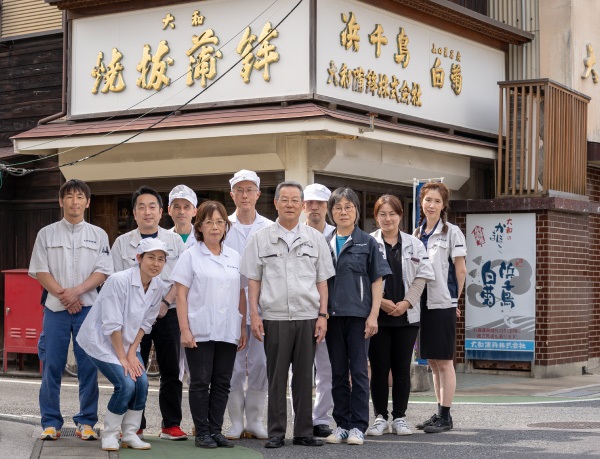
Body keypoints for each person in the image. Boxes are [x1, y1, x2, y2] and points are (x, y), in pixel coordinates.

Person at [241, 181, 335, 449]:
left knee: (305, 377)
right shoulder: (261, 238)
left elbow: (322, 281)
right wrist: (255, 316)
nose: (290, 204)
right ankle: (276, 432)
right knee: (277, 377)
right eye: (285, 199)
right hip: (275, 317)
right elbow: (253, 281)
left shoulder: (315, 238)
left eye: (296, 200)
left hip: (307, 317)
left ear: (302, 205)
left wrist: (322, 316)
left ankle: (304, 431)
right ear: (276, 203)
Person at [29, 179, 113, 441]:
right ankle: (50, 422)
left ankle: (86, 422)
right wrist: (65, 295)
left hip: (87, 309)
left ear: (88, 202)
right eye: (69, 197)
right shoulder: (46, 233)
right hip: (55, 309)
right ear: (60, 201)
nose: (74, 202)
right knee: (51, 364)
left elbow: (103, 271)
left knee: (88, 366)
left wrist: (76, 293)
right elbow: (40, 271)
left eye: (80, 197)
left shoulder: (98, 234)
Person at [77, 238, 168, 451]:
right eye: (151, 258)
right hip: (100, 341)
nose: (156, 263)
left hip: (127, 344)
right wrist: (122, 356)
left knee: (142, 384)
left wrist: (132, 352)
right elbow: (111, 323)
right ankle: (110, 434)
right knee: (126, 385)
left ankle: (129, 434)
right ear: (139, 258)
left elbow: (147, 323)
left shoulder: (158, 285)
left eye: (161, 259)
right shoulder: (118, 280)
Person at [111, 186, 187, 440]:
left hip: (169, 312)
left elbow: (182, 278)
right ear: (134, 213)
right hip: (133, 317)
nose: (147, 212)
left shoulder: (174, 241)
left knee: (170, 370)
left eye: (152, 206)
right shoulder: (123, 243)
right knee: (134, 368)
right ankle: (136, 424)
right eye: (141, 207)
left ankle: (171, 424)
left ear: (161, 211)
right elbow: (115, 281)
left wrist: (165, 303)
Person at [171, 200, 248, 449]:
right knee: (200, 381)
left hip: (228, 328)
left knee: (223, 381)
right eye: (209, 222)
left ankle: (216, 430)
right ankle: (202, 431)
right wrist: (184, 329)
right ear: (199, 226)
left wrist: (243, 326)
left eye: (220, 222)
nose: (215, 227)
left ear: (226, 226)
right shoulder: (190, 255)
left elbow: (241, 293)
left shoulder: (234, 256)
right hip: (199, 329)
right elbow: (180, 294)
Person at [325, 187, 391, 446]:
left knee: (359, 371)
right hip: (332, 316)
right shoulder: (325, 242)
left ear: (356, 211)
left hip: (359, 316)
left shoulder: (368, 242)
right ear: (332, 212)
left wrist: (374, 315)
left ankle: (358, 426)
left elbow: (377, 279)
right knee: (338, 372)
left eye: (348, 207)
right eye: (338, 207)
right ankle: (341, 424)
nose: (343, 212)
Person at [366, 195, 434, 436]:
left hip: (407, 317)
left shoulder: (414, 244)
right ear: (376, 217)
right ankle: (380, 418)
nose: (388, 218)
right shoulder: (369, 243)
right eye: (382, 214)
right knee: (379, 368)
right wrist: (383, 303)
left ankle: (400, 418)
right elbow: (365, 278)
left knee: (402, 368)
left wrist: (406, 303)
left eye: (392, 213)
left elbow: (422, 276)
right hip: (378, 317)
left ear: (400, 216)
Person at [223, 169, 273, 440]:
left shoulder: (268, 227)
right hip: (229, 307)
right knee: (231, 366)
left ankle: (255, 420)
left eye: (249, 190)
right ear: (232, 194)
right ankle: (235, 422)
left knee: (260, 363)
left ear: (258, 194)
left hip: (263, 308)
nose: (244, 195)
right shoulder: (223, 226)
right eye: (239, 190)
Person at [413, 182, 467, 433]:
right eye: (427, 200)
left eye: (436, 201)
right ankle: (439, 413)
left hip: (442, 302)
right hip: (420, 303)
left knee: (444, 361)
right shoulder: (416, 233)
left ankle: (446, 416)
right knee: (432, 362)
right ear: (421, 203)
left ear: (444, 205)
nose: (431, 205)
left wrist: (455, 300)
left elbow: (461, 269)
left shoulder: (452, 232)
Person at [293, 183, 335, 438]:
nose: (314, 207)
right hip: (298, 311)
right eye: (310, 203)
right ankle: (301, 418)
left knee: (326, 368)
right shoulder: (294, 233)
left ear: (327, 206)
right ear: (302, 206)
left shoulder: (337, 233)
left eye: (320, 203)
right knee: (298, 370)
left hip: (328, 312)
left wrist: (326, 312)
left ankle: (320, 418)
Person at [168, 184, 198, 250]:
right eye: (177, 207)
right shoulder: (163, 239)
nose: (181, 212)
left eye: (186, 207)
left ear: (194, 211)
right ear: (169, 210)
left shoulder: (203, 238)